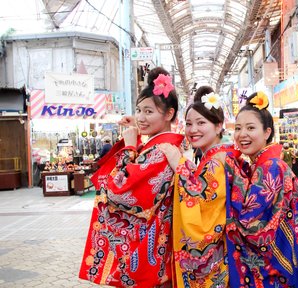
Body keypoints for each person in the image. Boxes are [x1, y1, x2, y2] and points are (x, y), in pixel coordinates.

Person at [79, 67, 184, 287]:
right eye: (139, 110)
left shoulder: (162, 151)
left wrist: (129, 147)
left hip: (148, 248)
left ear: (169, 114)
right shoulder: (161, 146)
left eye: (148, 111)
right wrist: (136, 137)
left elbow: (120, 191)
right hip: (154, 245)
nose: (141, 117)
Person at [226, 92, 298, 287]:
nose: (242, 134)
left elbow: (249, 220)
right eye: (238, 128)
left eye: (250, 128)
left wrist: (228, 167)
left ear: (267, 132)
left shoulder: (270, 167)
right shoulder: (264, 163)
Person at [159, 85, 242, 287]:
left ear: (218, 125)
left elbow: (202, 200)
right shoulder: (219, 155)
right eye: (189, 124)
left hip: (218, 255)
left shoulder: (217, 160)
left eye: (201, 123)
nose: (193, 130)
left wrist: (179, 163)